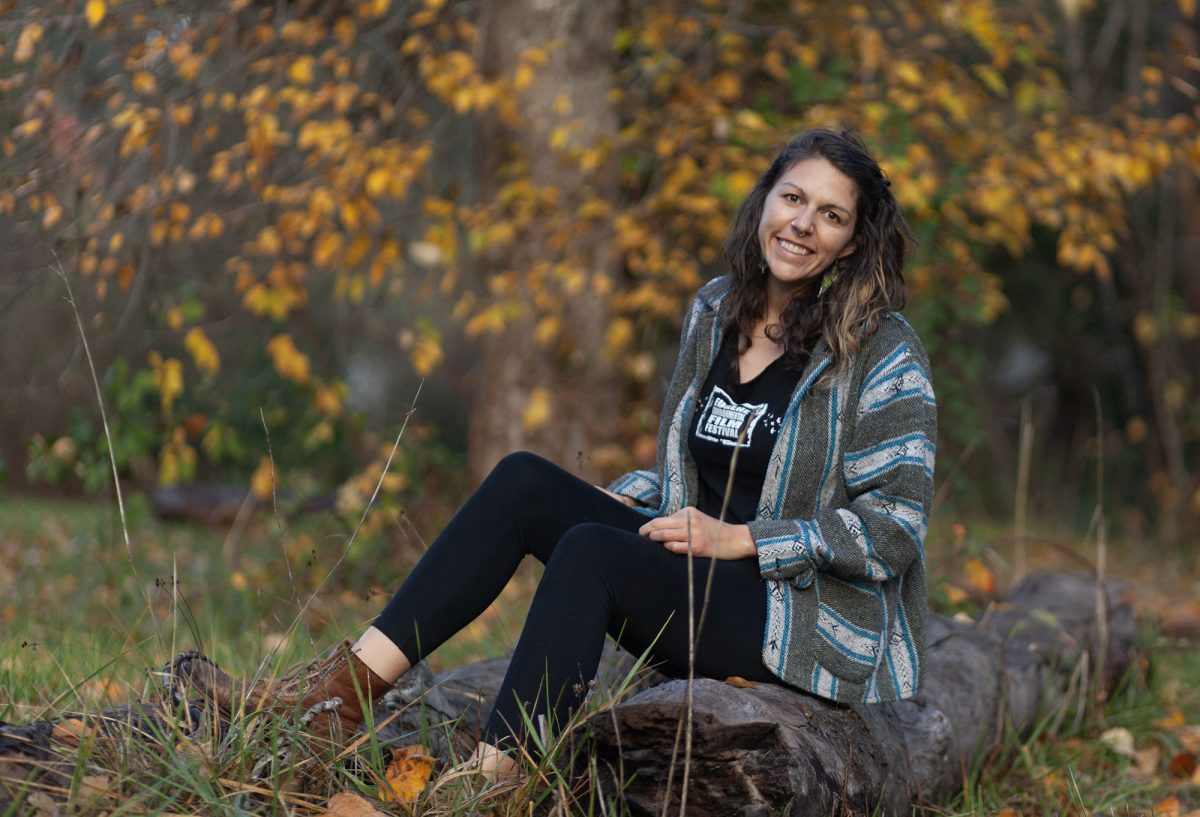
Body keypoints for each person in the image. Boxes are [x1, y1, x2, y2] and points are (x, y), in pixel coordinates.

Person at [172, 128, 937, 780]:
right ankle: (342, 696)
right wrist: (612, 503)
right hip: (696, 575)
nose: (804, 224)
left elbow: (895, 527)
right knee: (524, 482)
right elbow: (685, 475)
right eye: (794, 198)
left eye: (832, 215)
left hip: (792, 617)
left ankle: (491, 782)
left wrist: (742, 538)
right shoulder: (717, 309)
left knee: (591, 554)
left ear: (853, 241)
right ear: (765, 200)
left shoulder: (881, 352)